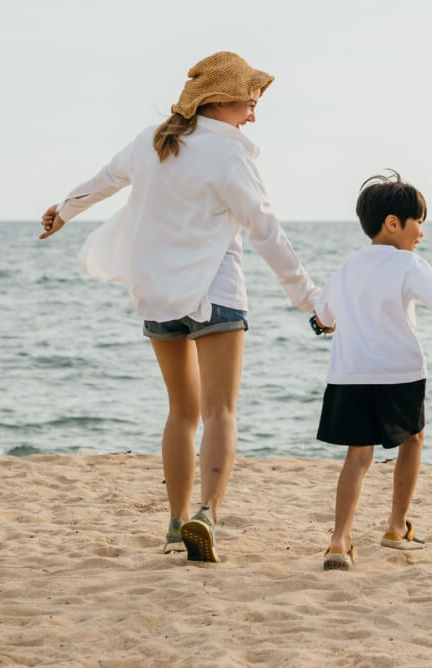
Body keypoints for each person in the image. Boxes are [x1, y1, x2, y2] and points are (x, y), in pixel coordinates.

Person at [39, 52, 326, 563]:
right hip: (214, 293)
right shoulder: (230, 157)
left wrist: (63, 212)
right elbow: (267, 233)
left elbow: (103, 180)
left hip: (157, 295)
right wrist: (311, 300)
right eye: (249, 103)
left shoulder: (153, 141)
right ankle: (207, 515)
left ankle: (174, 526)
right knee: (220, 412)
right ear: (220, 102)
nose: (254, 114)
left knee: (181, 412)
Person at [316, 172, 432, 571]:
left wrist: (329, 320)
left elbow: (323, 316)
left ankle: (339, 540)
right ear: (393, 223)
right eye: (417, 221)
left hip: (350, 374)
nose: (422, 232)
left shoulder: (347, 266)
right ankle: (397, 527)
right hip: (399, 371)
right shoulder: (409, 264)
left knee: (357, 455)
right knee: (413, 439)